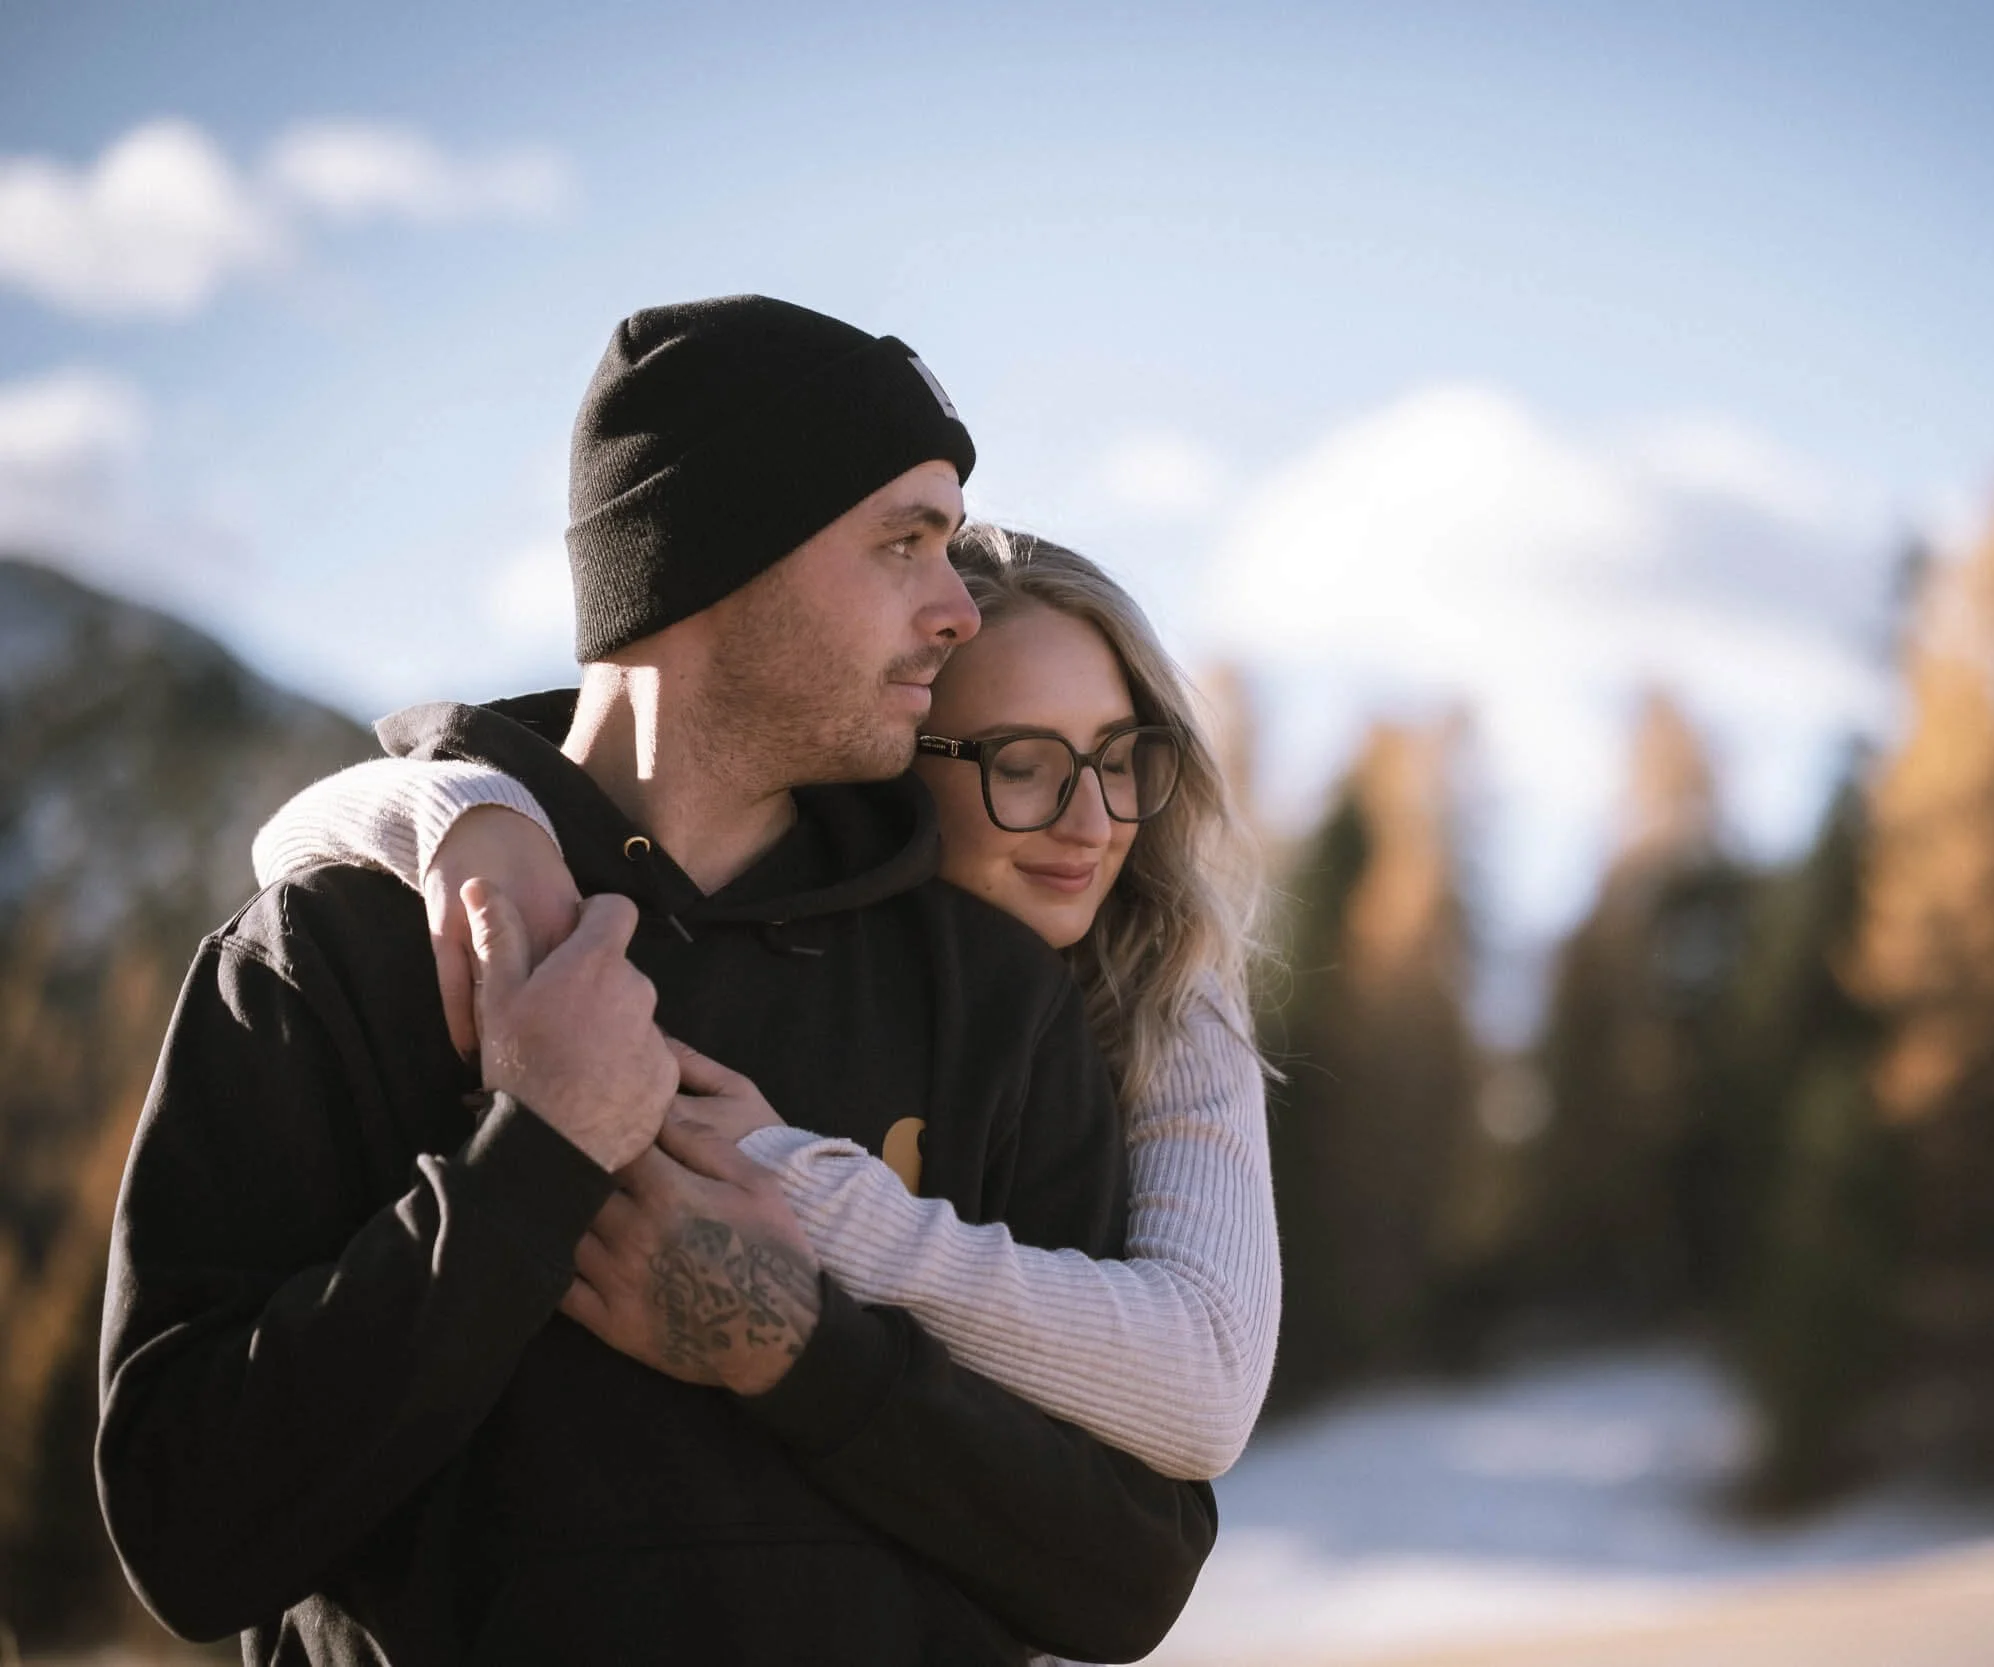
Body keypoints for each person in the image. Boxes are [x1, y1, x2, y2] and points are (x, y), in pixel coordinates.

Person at [97, 296, 1215, 1666]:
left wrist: (799, 1350)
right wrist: (530, 1162)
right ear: (712, 561)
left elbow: (1130, 1574)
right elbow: (185, 1536)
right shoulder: (340, 953)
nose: (955, 607)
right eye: (904, 543)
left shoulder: (987, 991)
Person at [252, 523, 1282, 1483]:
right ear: (885, 753)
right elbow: (296, 834)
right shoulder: (762, 928)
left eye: (1119, 757)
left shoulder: (1171, 985)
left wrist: (799, 1190)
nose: (1094, 821)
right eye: (1022, 765)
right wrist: (465, 816)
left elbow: (1205, 1381)